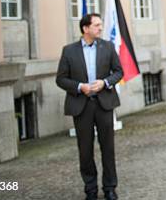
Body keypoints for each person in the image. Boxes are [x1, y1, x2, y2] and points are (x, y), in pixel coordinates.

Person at [56, 13, 123, 200]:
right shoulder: (69, 51)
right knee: (85, 151)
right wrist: (79, 87)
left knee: (108, 149)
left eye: (101, 24)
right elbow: (60, 79)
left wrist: (105, 82)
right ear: (85, 28)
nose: (100, 28)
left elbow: (118, 72)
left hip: (104, 104)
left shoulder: (108, 47)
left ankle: (110, 188)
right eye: (96, 25)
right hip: (81, 106)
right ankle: (90, 189)